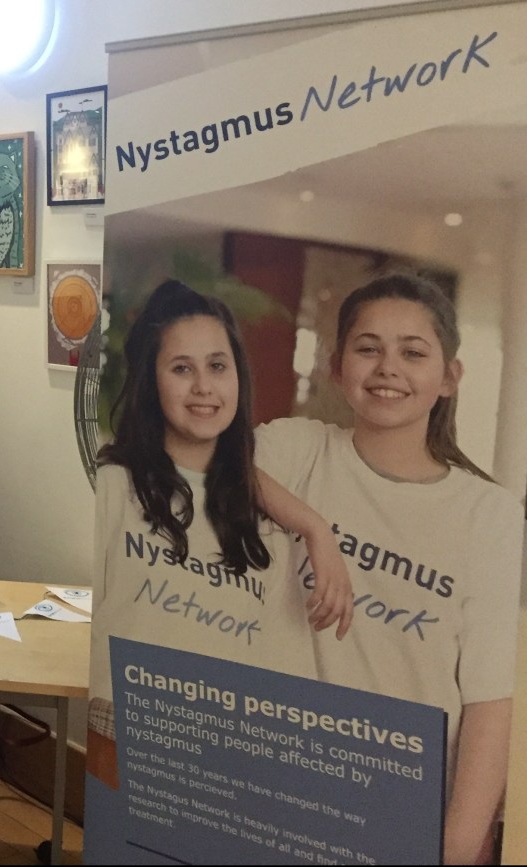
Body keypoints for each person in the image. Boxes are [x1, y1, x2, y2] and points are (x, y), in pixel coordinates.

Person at [255, 272, 523, 865]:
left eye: (413, 352)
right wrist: (314, 527)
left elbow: (487, 700)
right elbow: (206, 459)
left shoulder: (490, 514)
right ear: (337, 365)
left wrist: (453, 848)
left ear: (450, 377)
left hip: (404, 803)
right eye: (368, 348)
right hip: (282, 776)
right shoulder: (298, 450)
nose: (387, 368)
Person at [87, 279, 352, 788]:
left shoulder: (268, 518)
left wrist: (317, 530)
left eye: (217, 366)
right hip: (123, 741)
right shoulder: (112, 487)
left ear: (238, 376)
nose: (204, 387)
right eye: (181, 368)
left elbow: (280, 659)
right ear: (151, 380)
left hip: (232, 759)